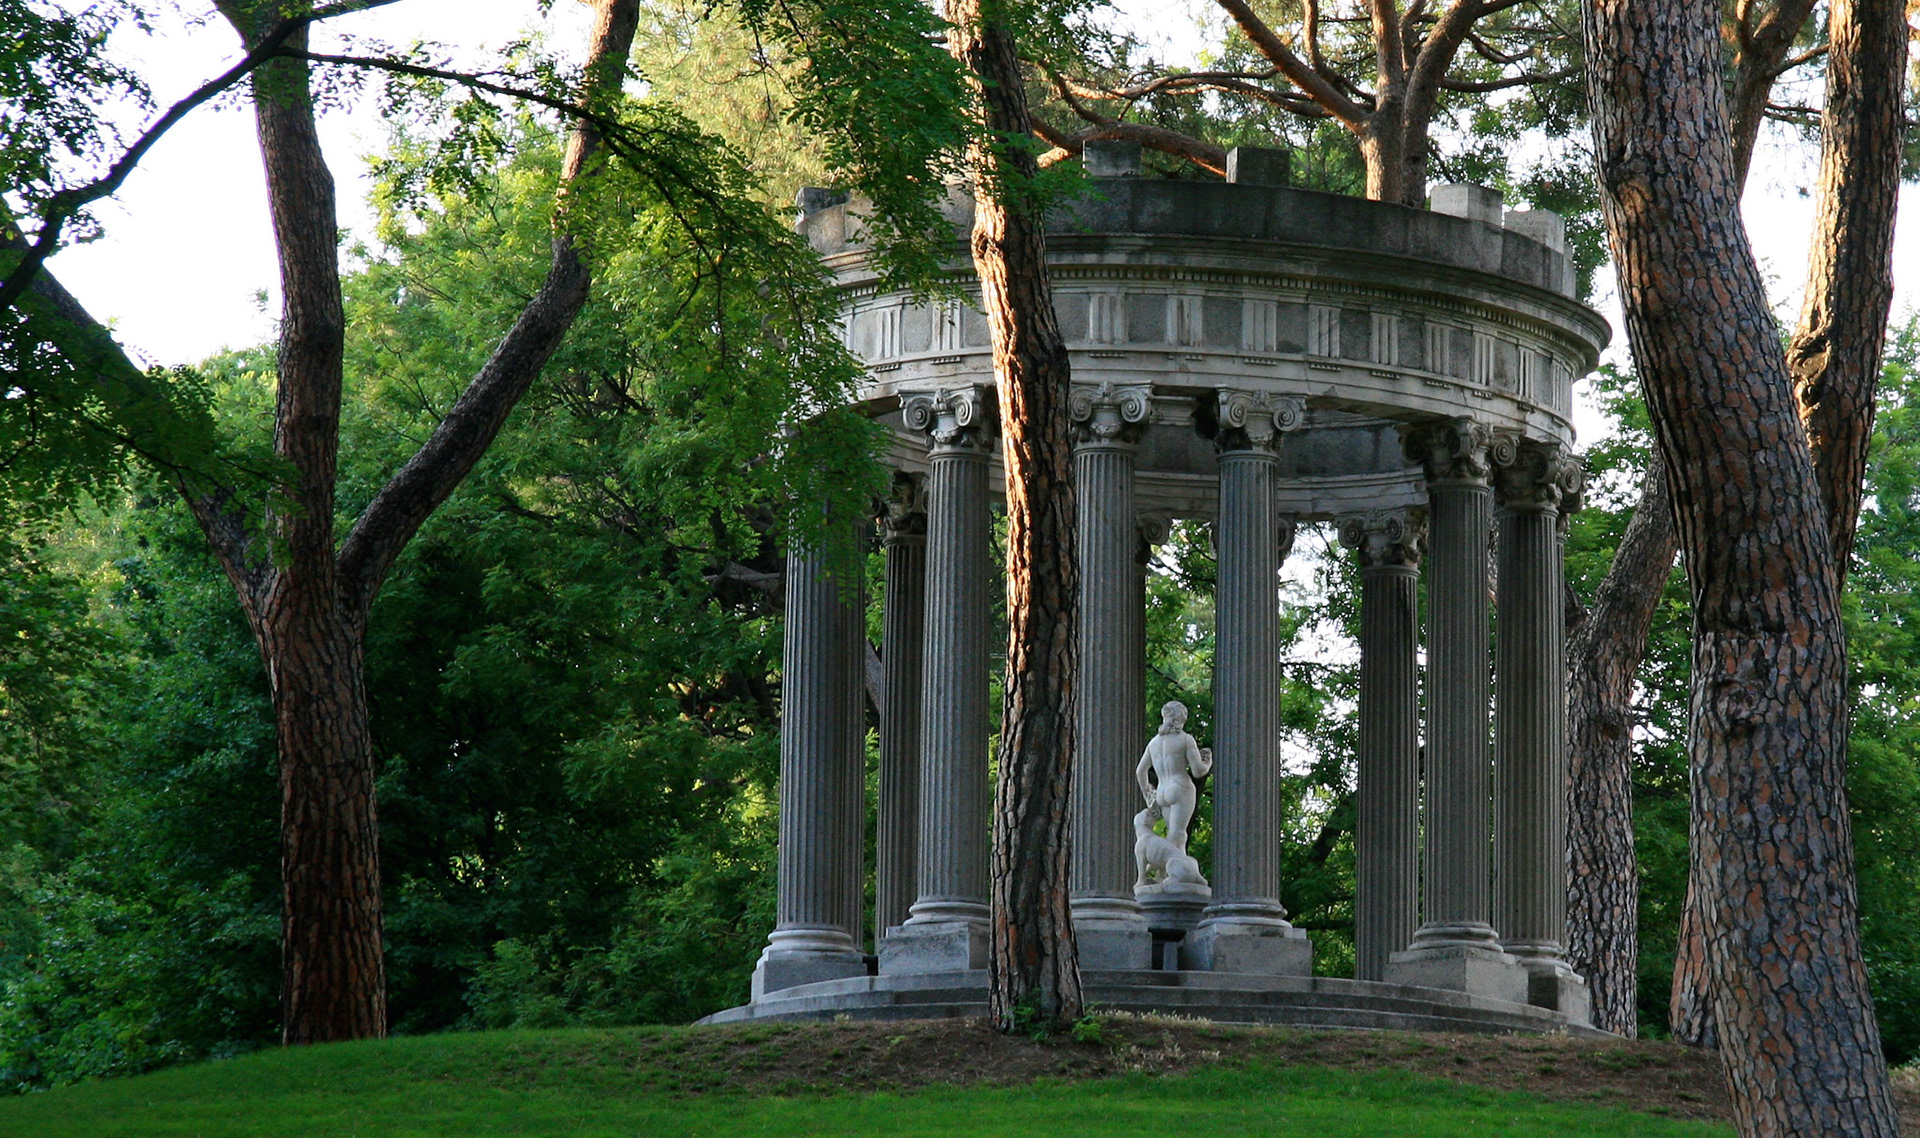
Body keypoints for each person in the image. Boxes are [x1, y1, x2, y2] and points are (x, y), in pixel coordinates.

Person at [1134, 700, 1212, 851]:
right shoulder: (1185, 739)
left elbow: (1140, 771)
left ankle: (1176, 872)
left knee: (1178, 839)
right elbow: (1198, 771)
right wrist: (1207, 762)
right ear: (1179, 720)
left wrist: (1148, 794)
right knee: (1177, 836)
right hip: (1180, 788)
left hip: (1162, 792)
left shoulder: (1153, 743)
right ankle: (1160, 864)